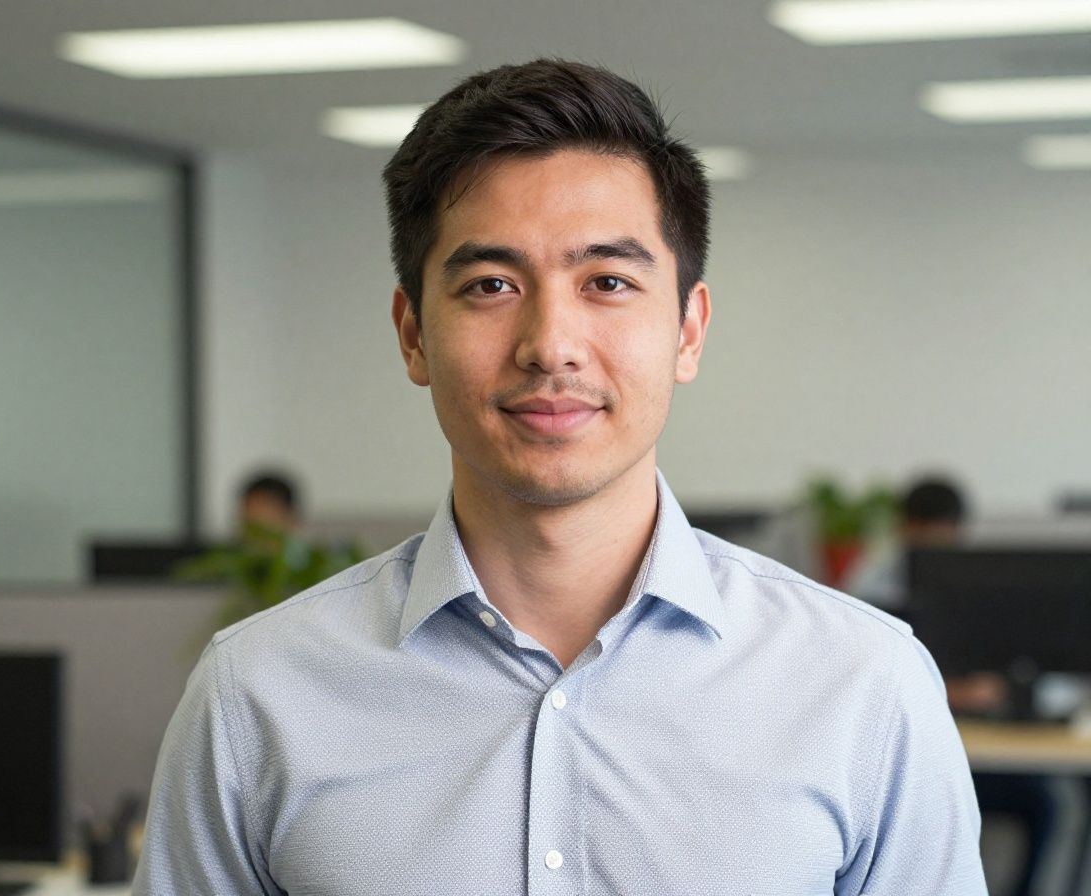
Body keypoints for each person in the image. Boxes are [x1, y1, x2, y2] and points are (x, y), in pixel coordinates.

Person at [133, 60, 987, 894]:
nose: (551, 344)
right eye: (491, 284)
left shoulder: (863, 686)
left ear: (688, 331)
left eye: (608, 282)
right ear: (412, 334)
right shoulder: (258, 696)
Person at [849, 476, 1058, 896]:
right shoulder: (870, 582)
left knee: (1048, 802)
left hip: (982, 735)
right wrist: (951, 692)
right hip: (909, 744)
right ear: (904, 527)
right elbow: (860, 673)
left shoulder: (983, 581)